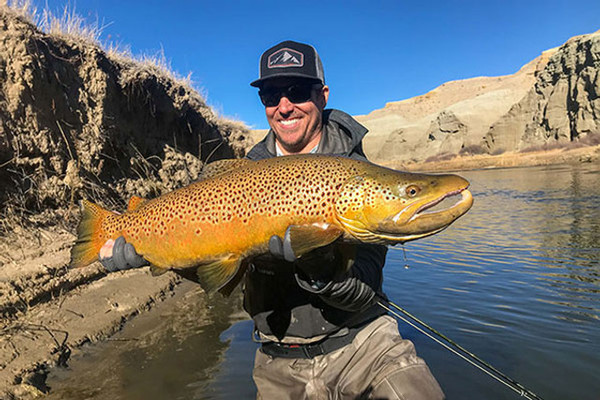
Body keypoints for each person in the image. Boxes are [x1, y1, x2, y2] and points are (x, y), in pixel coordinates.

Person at [99, 40, 445, 400]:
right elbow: (219, 276)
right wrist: (154, 252)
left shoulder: (356, 172)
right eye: (270, 95)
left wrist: (323, 267)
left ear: (323, 95)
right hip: (279, 363)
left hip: (366, 346)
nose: (284, 106)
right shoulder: (246, 173)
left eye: (296, 92)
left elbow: (364, 292)